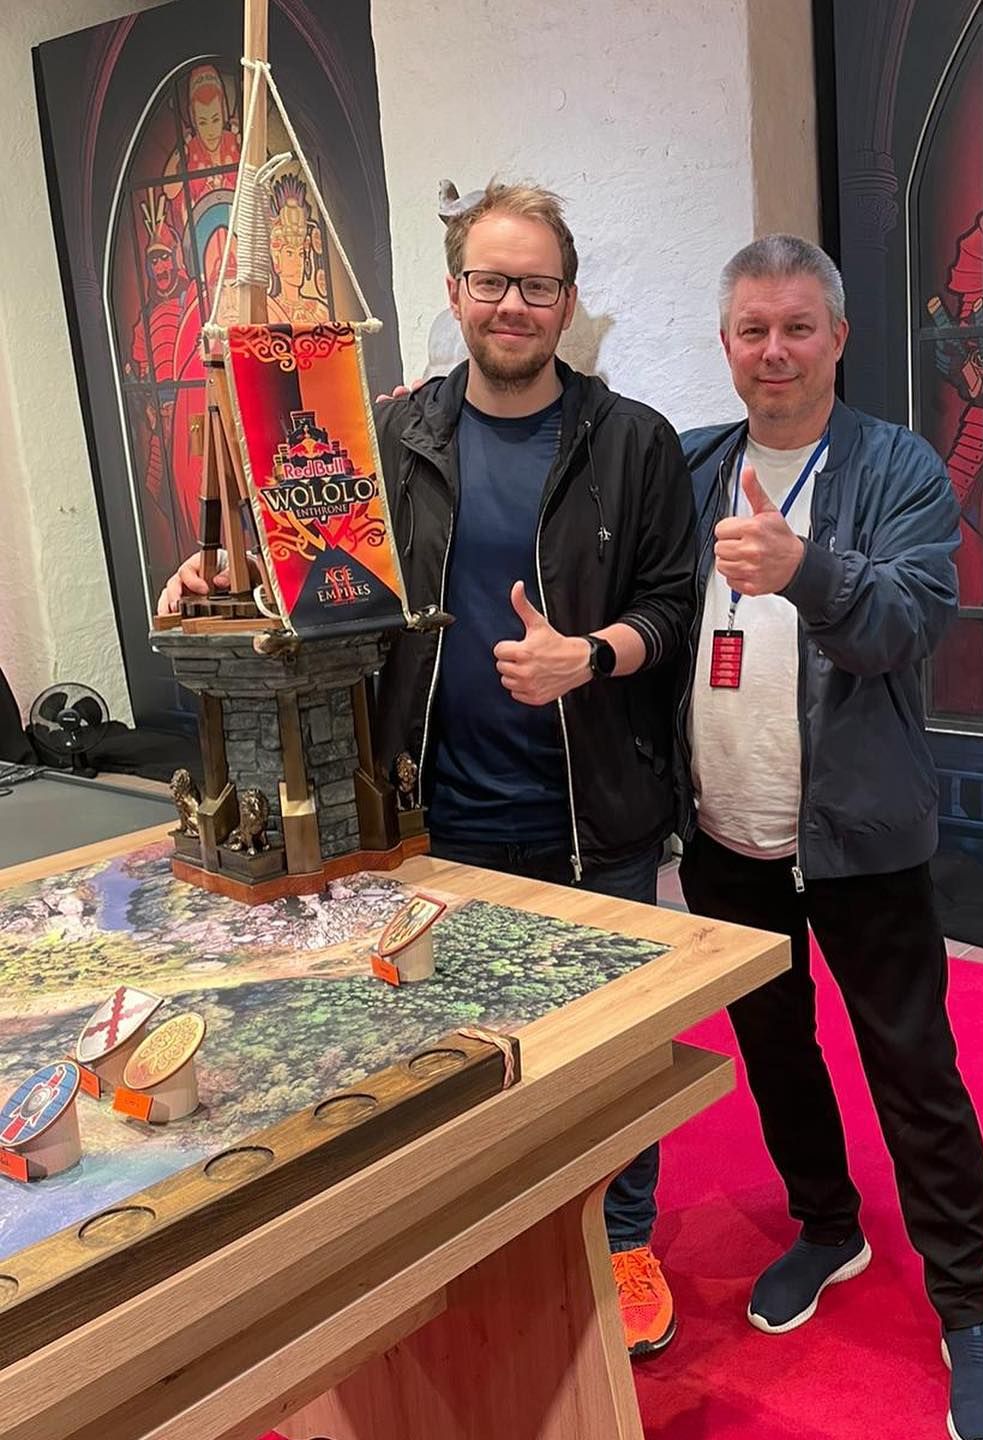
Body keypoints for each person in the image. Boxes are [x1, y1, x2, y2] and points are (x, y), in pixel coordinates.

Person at [157, 179, 697, 1357]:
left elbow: (674, 603)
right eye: (491, 281)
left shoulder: (635, 442)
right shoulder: (388, 440)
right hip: (427, 811)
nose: (513, 304)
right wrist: (220, 578)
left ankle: (621, 1237)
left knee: (612, 1047)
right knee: (451, 1041)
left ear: (569, 301)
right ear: (455, 291)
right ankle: (490, 1230)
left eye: (537, 285)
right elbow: (313, 575)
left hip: (593, 810)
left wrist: (591, 655)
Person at [677, 234, 983, 1440]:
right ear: (726, 344)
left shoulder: (897, 467)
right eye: (752, 330)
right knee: (776, 1048)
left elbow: (908, 622)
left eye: (796, 328)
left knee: (913, 1070)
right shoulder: (693, 466)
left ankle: (966, 1309)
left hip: (863, 833)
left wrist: (805, 570)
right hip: (725, 834)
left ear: (839, 337)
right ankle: (828, 1226)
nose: (774, 351)